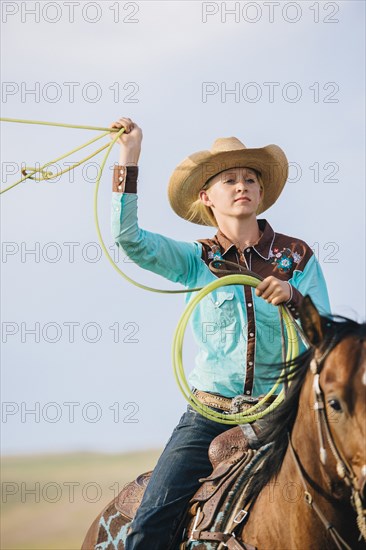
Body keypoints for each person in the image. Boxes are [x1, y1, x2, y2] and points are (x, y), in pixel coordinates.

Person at [109, 117, 330, 549]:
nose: (242, 185)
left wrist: (294, 298)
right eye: (228, 179)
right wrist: (129, 156)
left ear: (262, 194)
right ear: (206, 196)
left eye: (250, 178)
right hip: (210, 414)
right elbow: (128, 238)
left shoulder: (297, 259)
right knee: (149, 525)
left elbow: (326, 338)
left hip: (283, 412)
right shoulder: (196, 260)